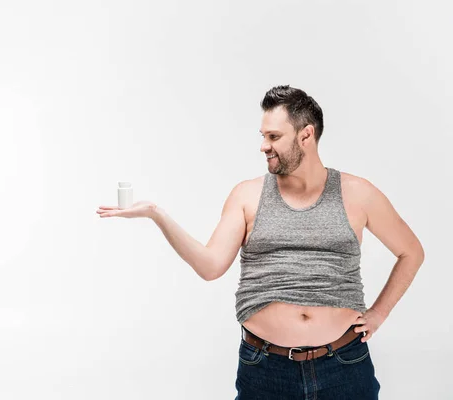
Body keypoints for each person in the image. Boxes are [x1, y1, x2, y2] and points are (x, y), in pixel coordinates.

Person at [96, 85, 425, 399]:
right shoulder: (247, 195)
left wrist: (380, 312)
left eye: (274, 137)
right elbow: (210, 267)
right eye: (263, 136)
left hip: (344, 364)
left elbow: (411, 252)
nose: (264, 145)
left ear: (306, 135)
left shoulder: (358, 193)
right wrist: (157, 214)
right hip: (265, 369)